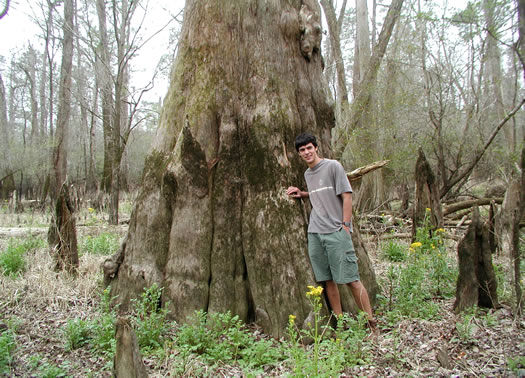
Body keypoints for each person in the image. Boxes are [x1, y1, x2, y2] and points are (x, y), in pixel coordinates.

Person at [286, 132, 378, 334]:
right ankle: (340, 324)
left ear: (316, 148)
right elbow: (320, 193)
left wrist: (345, 225)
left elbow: (346, 196)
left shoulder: (333, 166)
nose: (307, 152)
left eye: (309, 148)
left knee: (352, 280)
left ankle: (372, 325)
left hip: (336, 231)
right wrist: (303, 194)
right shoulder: (307, 175)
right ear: (299, 154)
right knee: (328, 280)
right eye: (302, 150)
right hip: (315, 233)